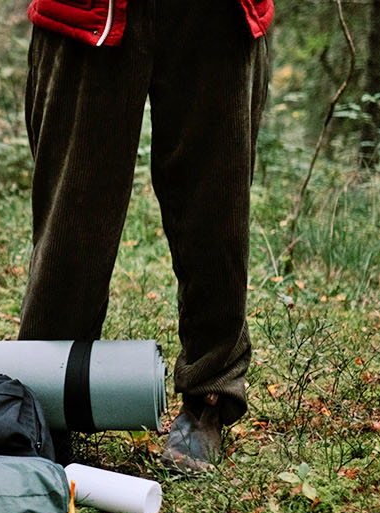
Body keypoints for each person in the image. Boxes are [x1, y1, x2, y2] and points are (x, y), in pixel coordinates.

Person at [17, 0, 273, 472]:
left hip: (217, 15)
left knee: (216, 206)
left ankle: (209, 395)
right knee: (71, 213)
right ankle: (47, 399)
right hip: (87, 8)